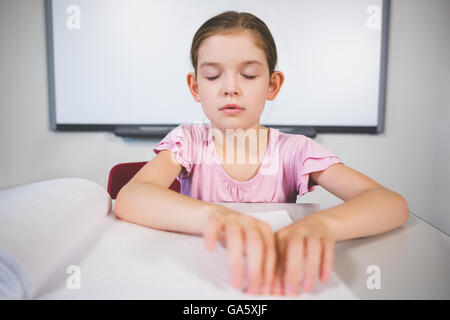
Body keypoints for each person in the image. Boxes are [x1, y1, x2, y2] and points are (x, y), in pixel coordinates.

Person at [114, 11, 409, 296]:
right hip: (203, 278)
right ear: (195, 86)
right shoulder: (188, 141)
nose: (230, 88)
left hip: (271, 282)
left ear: (272, 84)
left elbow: (390, 203)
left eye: (249, 75)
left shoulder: (294, 150)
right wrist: (218, 217)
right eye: (213, 75)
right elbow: (131, 197)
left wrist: (323, 225)